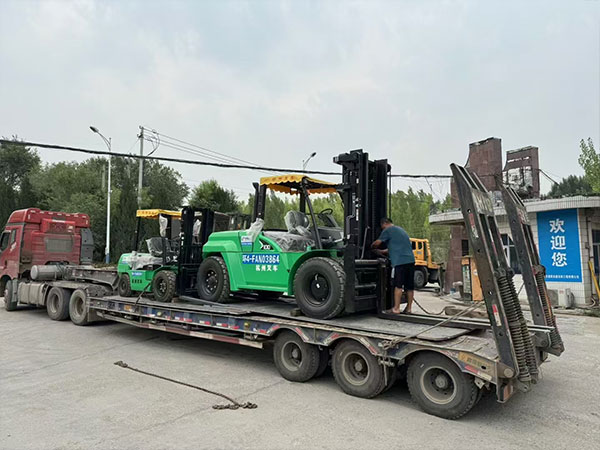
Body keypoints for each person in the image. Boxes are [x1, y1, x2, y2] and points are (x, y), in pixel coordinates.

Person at [372, 218, 415, 314]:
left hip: (400, 261)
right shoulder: (401, 230)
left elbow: (377, 243)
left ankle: (396, 308)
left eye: (382, 227)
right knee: (409, 286)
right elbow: (394, 247)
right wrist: (382, 251)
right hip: (410, 260)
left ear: (384, 223)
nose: (382, 229)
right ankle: (409, 308)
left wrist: (371, 247)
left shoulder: (387, 230)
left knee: (398, 285)